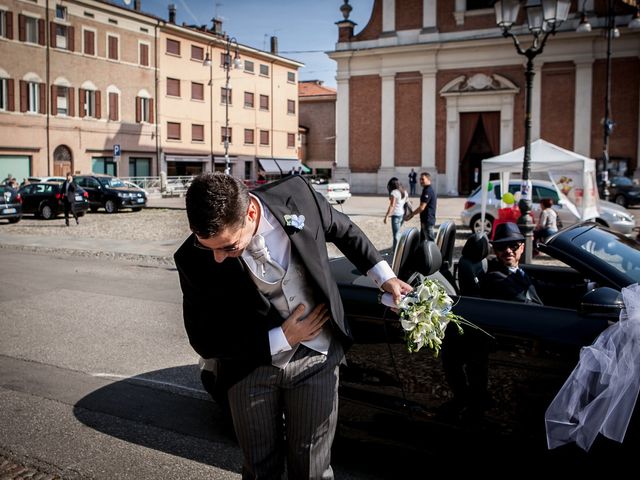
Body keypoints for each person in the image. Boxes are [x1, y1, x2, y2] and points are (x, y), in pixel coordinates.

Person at [174, 173, 411, 479]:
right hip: (249, 370)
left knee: (312, 468)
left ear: (250, 213)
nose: (218, 258)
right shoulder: (192, 258)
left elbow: (344, 229)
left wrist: (385, 276)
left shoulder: (296, 194)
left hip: (318, 357)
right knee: (260, 470)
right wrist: (280, 338)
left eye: (229, 247)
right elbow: (204, 340)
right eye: (210, 248)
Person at [479, 222, 543, 305]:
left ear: (522, 248)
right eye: (501, 247)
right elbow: (528, 306)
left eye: (513, 246)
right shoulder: (497, 278)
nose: (508, 251)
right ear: (495, 251)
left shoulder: (520, 272)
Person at [406, 172, 437, 242]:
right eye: (420, 179)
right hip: (425, 220)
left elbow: (422, 207)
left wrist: (411, 214)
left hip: (427, 220)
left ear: (428, 179)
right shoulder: (427, 189)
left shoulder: (428, 191)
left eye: (423, 179)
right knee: (422, 242)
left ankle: (436, 253)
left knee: (431, 243)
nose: (421, 181)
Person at [383, 177, 409, 253]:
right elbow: (406, 202)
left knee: (396, 235)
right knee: (398, 233)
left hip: (396, 215)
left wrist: (386, 216)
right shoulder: (404, 191)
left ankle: (396, 251)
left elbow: (392, 205)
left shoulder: (394, 192)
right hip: (402, 214)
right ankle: (398, 249)